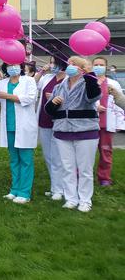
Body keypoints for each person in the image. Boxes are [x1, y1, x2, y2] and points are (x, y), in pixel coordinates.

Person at [44, 56, 100, 212]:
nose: (70, 66)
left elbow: (94, 96)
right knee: (67, 168)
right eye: (69, 64)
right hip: (63, 131)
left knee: (85, 169)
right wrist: (54, 103)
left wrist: (90, 76)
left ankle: (85, 200)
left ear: (82, 68)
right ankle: (71, 198)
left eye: (74, 64)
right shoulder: (60, 86)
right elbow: (48, 110)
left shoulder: (87, 82)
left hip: (86, 131)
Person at [0, 63, 38, 204]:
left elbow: (29, 99)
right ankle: (15, 189)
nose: (12, 68)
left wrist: (8, 96)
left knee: (26, 160)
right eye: (9, 66)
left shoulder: (28, 80)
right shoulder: (3, 83)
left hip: (24, 126)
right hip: (9, 126)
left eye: (15, 65)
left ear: (21, 67)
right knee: (14, 159)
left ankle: (24, 192)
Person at [35, 53, 67, 201]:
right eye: (51, 63)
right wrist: (41, 72)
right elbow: (33, 84)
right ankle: (55, 187)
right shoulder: (47, 78)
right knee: (48, 156)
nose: (52, 66)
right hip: (44, 120)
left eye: (55, 63)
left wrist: (56, 100)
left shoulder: (68, 80)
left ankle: (61, 189)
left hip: (59, 122)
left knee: (58, 158)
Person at [92, 56, 123, 187]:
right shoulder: (88, 81)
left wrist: (119, 123)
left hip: (106, 123)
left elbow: (119, 105)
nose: (98, 67)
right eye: (96, 64)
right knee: (86, 153)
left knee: (106, 151)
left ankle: (104, 178)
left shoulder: (113, 84)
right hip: (90, 124)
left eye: (101, 65)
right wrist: (95, 107)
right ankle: (81, 175)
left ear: (106, 67)